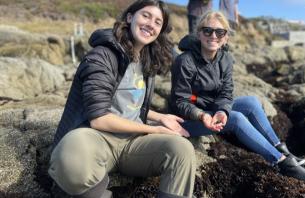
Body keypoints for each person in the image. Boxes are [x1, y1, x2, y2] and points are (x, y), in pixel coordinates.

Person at [48, 1, 196, 198]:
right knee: (70, 156)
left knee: (182, 149)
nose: (151, 24)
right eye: (145, 16)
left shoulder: (146, 58)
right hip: (97, 137)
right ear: (129, 17)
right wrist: (153, 129)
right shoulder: (103, 55)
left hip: (132, 144)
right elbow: (99, 118)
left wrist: (160, 117)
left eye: (158, 22)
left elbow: (128, 103)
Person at [169, 10, 305, 188]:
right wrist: (202, 115)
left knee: (251, 102)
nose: (213, 36)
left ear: (226, 37)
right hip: (187, 119)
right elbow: (179, 102)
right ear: (199, 34)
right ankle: (282, 163)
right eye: (207, 31)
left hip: (212, 110)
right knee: (236, 119)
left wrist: (221, 110)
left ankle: (282, 150)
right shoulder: (185, 61)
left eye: (219, 32)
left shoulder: (225, 58)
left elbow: (226, 93)